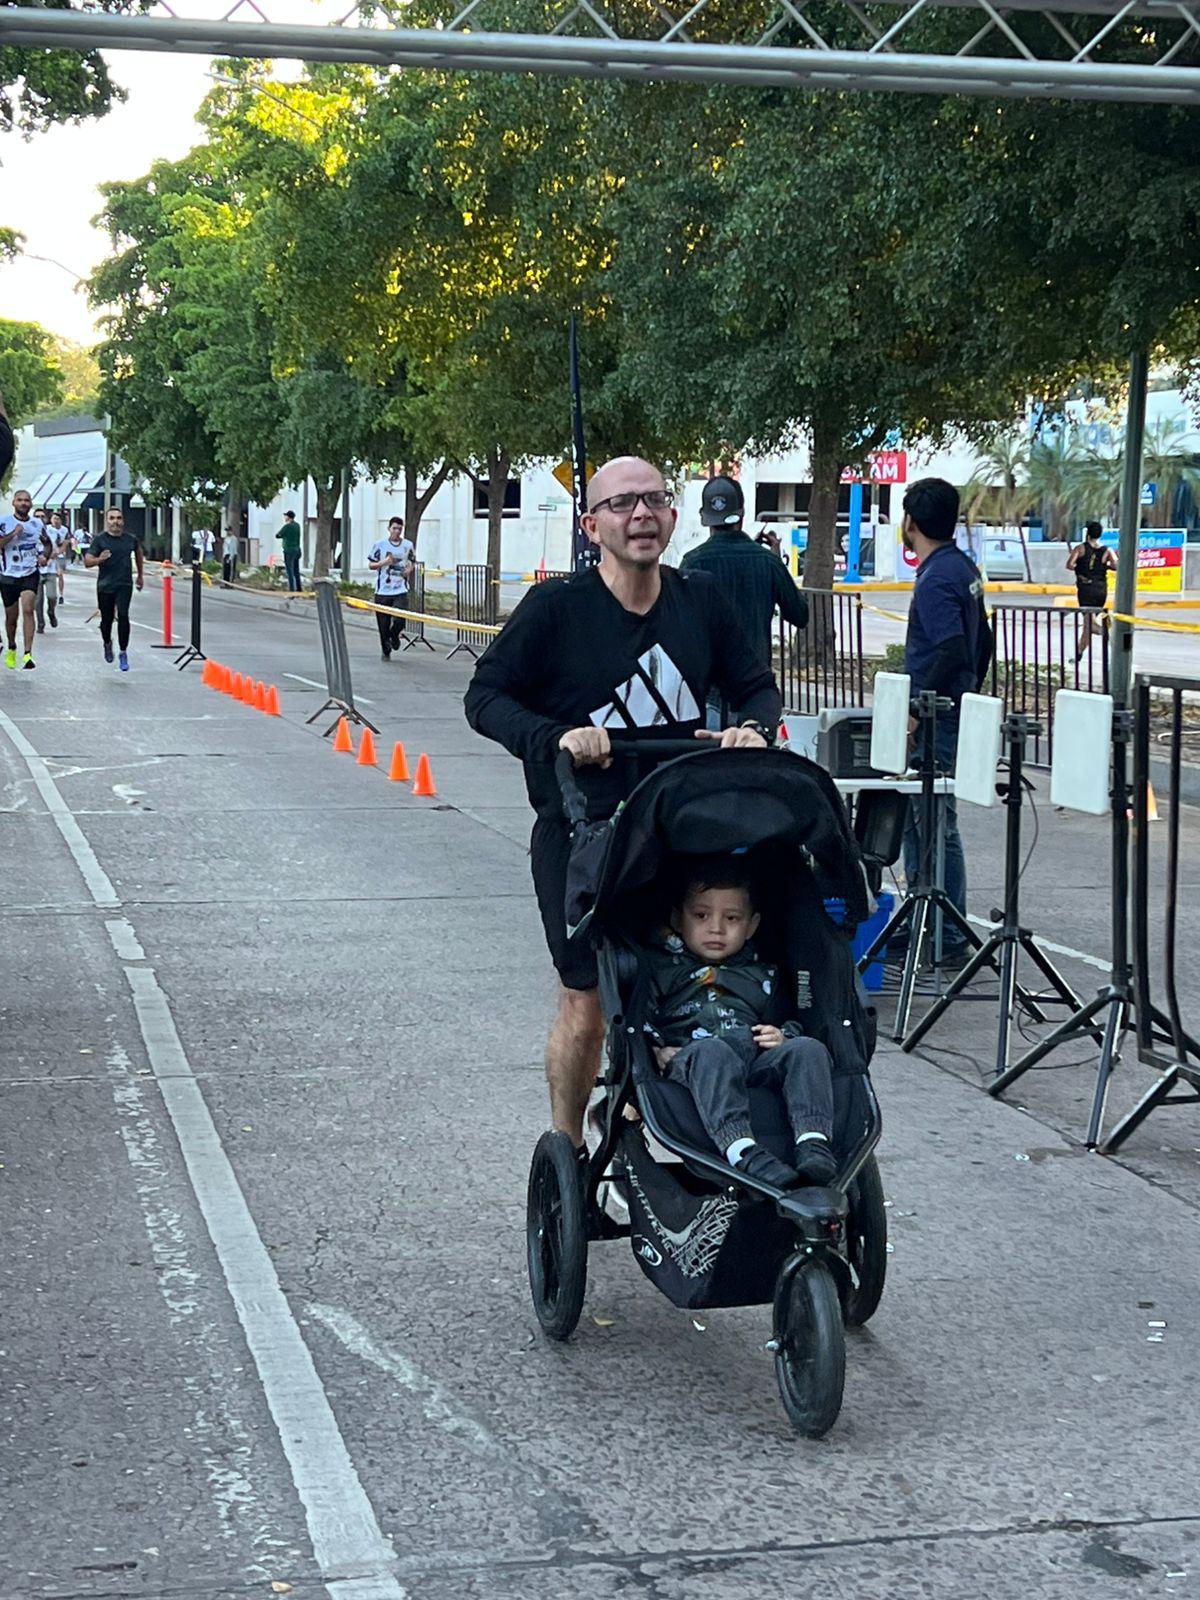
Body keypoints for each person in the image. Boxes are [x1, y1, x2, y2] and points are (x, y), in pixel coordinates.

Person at [464, 454, 782, 1154]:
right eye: (621, 504)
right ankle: (569, 1149)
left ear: (672, 515)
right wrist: (554, 736)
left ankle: (680, 1119)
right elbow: (483, 698)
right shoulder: (557, 610)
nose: (640, 514)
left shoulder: (699, 600)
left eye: (654, 500)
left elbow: (757, 684)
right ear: (592, 525)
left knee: (689, 983)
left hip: (680, 832)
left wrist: (751, 727)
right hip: (585, 836)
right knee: (588, 1003)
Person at [648, 858, 837, 1189]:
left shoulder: (763, 975)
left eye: (732, 918)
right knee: (712, 1053)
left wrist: (784, 1035)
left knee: (809, 1049)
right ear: (679, 918)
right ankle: (741, 1150)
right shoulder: (663, 971)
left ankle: (813, 1141)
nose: (716, 928)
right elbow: (640, 1016)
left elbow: (787, 1018)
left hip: (754, 1056)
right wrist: (654, 1050)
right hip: (692, 1061)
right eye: (701, 916)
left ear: (751, 926)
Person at [899, 478, 990, 968]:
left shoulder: (936, 578)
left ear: (910, 523)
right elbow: (984, 640)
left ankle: (945, 931)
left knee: (933, 824)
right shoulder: (961, 567)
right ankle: (924, 921)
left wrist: (918, 707)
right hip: (954, 708)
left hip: (938, 719)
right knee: (925, 821)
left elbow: (953, 647)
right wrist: (972, 687)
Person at [681, 476, 808, 726]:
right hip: (755, 694)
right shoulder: (767, 561)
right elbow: (800, 614)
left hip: (709, 695)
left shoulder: (692, 563)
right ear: (742, 513)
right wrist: (777, 562)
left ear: (705, 516)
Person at [84, 506, 144, 670]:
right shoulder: (100, 540)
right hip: (105, 585)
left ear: (123, 521)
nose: (116, 521)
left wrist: (140, 575)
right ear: (107, 521)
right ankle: (107, 642)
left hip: (124, 584)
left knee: (123, 616)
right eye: (112, 518)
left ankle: (123, 652)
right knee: (107, 619)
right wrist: (99, 559)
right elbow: (87, 561)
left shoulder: (130, 539)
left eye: (119, 518)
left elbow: (138, 552)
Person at [0, 489, 52, 669]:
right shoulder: (4, 522)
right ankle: (12, 647)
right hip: (8, 575)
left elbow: (47, 544)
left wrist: (45, 556)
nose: (23, 503)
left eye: (26, 501)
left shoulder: (37, 524)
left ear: (30, 504)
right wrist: (13, 534)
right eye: (20, 500)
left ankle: (28, 653)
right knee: (11, 618)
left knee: (29, 609)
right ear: (14, 503)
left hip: (29, 573)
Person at [1066, 521, 1115, 661]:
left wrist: (1081, 568)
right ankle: (1079, 653)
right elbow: (1116, 565)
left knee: (1091, 625)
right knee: (1088, 624)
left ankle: (1112, 638)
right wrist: (1105, 566)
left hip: (1086, 589)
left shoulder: (1080, 549)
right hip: (1100, 590)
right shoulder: (1107, 550)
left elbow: (1070, 565)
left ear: (1088, 534)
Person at [367, 516, 415, 659]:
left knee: (400, 618)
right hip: (383, 591)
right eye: (394, 528)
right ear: (389, 529)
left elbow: (412, 560)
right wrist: (384, 562)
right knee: (383, 625)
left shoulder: (407, 545)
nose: (397, 531)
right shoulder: (380, 545)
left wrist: (409, 569)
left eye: (400, 529)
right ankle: (385, 649)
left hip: (400, 589)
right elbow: (371, 564)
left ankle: (394, 635)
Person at [276, 509, 303, 593]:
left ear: (289, 517)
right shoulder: (297, 526)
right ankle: (299, 589)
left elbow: (277, 535)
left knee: (290, 570)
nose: (285, 517)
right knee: (296, 570)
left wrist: (283, 536)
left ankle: (292, 590)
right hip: (297, 550)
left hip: (289, 550)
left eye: (286, 516)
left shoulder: (287, 526)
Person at [50, 513, 69, 602]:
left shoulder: (65, 530)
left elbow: (66, 542)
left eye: (57, 519)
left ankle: (61, 594)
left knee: (60, 574)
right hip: (48, 555)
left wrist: (58, 552)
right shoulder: (47, 529)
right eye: (54, 519)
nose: (55, 521)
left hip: (60, 555)